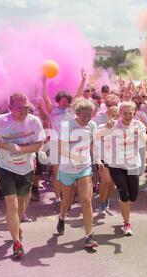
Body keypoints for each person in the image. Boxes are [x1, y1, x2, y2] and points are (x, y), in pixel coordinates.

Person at [0, 93, 45, 259]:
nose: (24, 111)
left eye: (26, 107)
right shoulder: (0, 120)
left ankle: (16, 224)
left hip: (26, 168)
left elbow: (39, 144)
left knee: (22, 203)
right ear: (10, 108)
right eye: (20, 108)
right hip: (5, 167)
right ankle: (16, 242)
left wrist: (22, 150)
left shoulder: (34, 121)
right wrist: (0, 145)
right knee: (11, 204)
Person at [56, 97, 103, 249]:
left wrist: (97, 159)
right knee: (67, 201)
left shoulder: (92, 125)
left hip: (84, 167)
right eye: (84, 115)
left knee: (86, 200)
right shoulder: (67, 126)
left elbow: (93, 144)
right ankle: (62, 217)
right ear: (77, 113)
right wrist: (73, 156)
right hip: (67, 169)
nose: (88, 118)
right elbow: (60, 148)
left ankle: (89, 236)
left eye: (90, 115)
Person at [99, 102, 147, 235]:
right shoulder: (112, 125)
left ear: (134, 113)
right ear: (120, 114)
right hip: (116, 165)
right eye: (124, 113)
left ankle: (124, 203)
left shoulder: (138, 125)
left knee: (133, 197)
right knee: (125, 196)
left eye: (130, 113)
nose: (127, 116)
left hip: (133, 165)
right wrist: (106, 130)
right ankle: (127, 223)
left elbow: (144, 138)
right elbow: (99, 137)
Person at [41, 69, 86, 212]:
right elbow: (45, 97)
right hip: (55, 144)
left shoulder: (72, 110)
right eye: (63, 101)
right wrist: (43, 83)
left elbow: (78, 96)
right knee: (56, 171)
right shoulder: (52, 110)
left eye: (67, 101)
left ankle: (68, 197)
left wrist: (83, 80)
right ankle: (58, 198)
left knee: (70, 171)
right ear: (58, 101)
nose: (65, 103)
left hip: (71, 145)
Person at [96, 105, 119, 216]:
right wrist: (107, 129)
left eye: (117, 116)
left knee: (112, 184)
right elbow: (98, 138)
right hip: (103, 158)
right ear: (108, 115)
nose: (114, 119)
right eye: (113, 116)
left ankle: (106, 200)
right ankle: (101, 203)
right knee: (106, 181)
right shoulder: (101, 127)